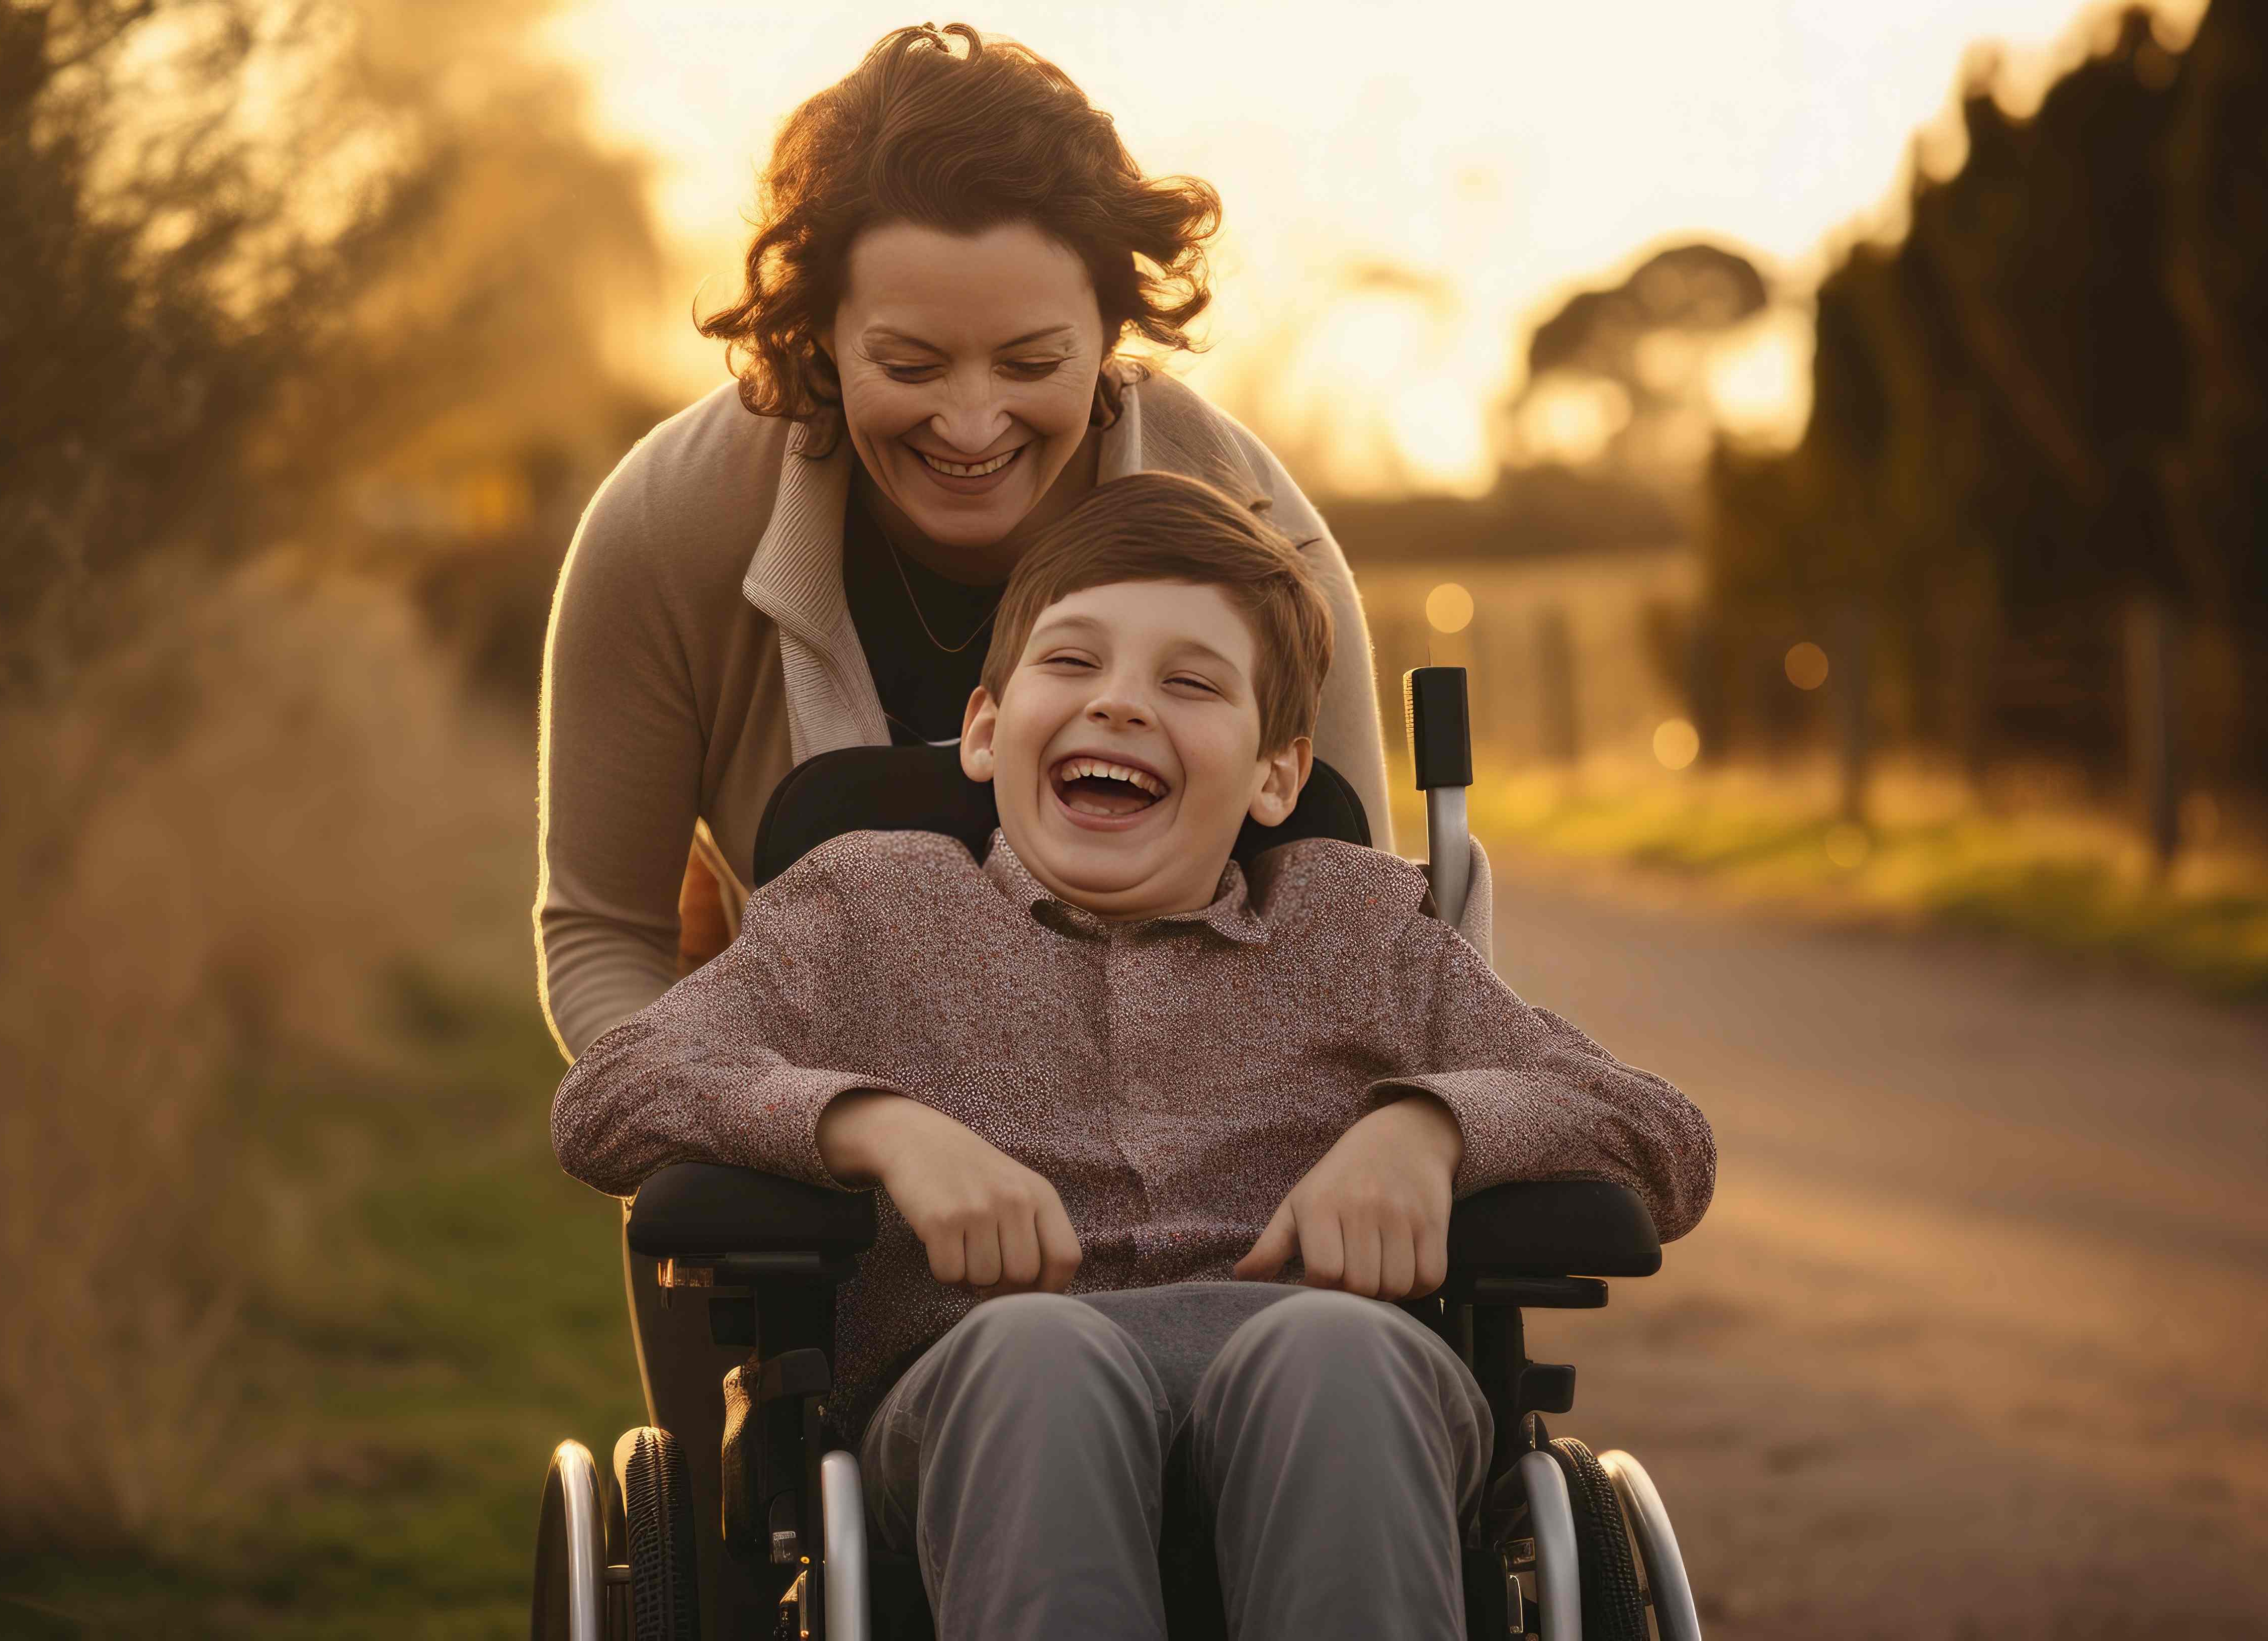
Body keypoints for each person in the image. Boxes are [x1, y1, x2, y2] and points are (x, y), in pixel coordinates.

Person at [552, 473, 1716, 1641]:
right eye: (1071, 663)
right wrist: (871, 1126)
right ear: (985, 728)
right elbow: (612, 1094)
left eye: (1191, 683)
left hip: (1328, 1402)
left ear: (1276, 775)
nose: (1117, 706)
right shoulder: (864, 909)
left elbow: (1657, 1137)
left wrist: (1432, 1130)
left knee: (1332, 1347)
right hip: (976, 1409)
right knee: (1033, 1348)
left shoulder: (1357, 927)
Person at [537, 24, 1479, 1066]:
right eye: (908, 364)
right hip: (809, 1150)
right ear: (818, 333)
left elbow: (1349, 945)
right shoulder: (671, 526)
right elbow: (605, 934)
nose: (972, 424)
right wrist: (758, 1144)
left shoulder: (1257, 542)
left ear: (1111, 334)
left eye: (1032, 363)